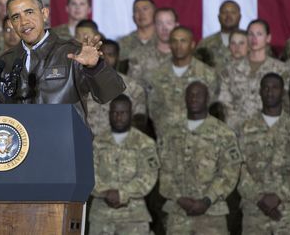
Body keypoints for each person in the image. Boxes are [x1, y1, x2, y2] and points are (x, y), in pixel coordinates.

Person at [0, 0, 125, 125]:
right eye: (16, 17)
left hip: (67, 145)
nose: (24, 22)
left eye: (29, 12)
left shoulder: (73, 53)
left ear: (44, 13)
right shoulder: (3, 63)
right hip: (21, 148)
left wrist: (95, 67)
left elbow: (110, 92)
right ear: (11, 25)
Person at [159, 81, 241, 235]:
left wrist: (207, 200)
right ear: (185, 98)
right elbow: (163, 170)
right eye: (190, 94)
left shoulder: (224, 133)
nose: (194, 98)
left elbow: (229, 172)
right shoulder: (170, 132)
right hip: (178, 213)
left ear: (208, 99)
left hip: (212, 214)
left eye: (199, 95)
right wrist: (179, 198)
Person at [89, 94, 159, 235]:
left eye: (123, 113)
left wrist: (122, 194)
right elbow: (89, 173)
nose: (118, 117)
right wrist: (106, 193)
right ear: (109, 114)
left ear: (131, 114)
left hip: (134, 217)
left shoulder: (145, 143)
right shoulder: (97, 142)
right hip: (102, 216)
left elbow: (149, 176)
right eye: (114, 113)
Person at [238, 73, 290, 235]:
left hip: (287, 212)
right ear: (260, 92)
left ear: (283, 92)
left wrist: (280, 195)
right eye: (266, 88)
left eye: (275, 88)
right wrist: (259, 198)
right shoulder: (246, 128)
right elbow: (237, 168)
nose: (270, 92)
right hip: (254, 212)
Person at [219, 19, 290, 131]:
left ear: (268, 38)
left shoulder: (281, 70)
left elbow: (286, 104)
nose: (254, 38)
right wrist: (239, 127)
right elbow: (224, 103)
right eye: (250, 34)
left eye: (259, 34)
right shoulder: (230, 69)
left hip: (271, 133)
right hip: (237, 132)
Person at [148, 26, 219, 137]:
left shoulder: (208, 75)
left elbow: (212, 108)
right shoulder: (157, 75)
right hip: (167, 138)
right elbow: (153, 110)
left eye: (183, 41)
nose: (178, 46)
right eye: (174, 41)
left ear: (192, 45)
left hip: (199, 139)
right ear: (170, 45)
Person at [87, 39, 146, 136]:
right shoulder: (83, 85)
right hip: (86, 143)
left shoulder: (133, 87)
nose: (105, 59)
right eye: (102, 55)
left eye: (110, 55)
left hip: (117, 145)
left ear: (118, 58)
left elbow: (139, 120)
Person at [128, 7, 178, 86]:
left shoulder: (186, 56)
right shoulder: (139, 55)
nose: (164, 28)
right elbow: (132, 88)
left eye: (169, 23)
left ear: (176, 25)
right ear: (154, 26)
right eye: (159, 23)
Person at [197, 0, 241, 70]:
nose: (228, 16)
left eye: (233, 12)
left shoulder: (249, 41)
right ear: (219, 17)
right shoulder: (205, 43)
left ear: (239, 17)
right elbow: (197, 69)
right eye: (224, 12)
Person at [118, 0, 156, 65]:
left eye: (145, 9)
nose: (141, 14)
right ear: (133, 17)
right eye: (136, 10)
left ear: (155, 13)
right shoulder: (123, 43)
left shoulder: (165, 41)